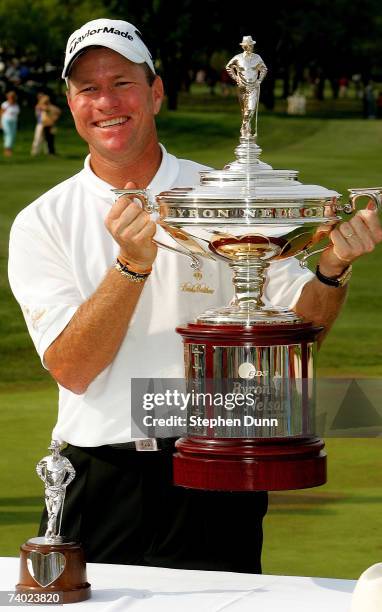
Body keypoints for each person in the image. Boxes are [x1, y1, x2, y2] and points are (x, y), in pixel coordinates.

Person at [8, 19, 382, 573]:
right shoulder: (43, 221)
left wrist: (331, 271)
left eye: (123, 82)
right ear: (70, 102)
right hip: (102, 478)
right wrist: (130, 269)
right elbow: (73, 368)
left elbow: (298, 340)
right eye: (88, 87)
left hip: (219, 470)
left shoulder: (229, 198)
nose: (106, 101)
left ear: (156, 92)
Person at [226, 35, 267, 138]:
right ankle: (247, 131)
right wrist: (236, 78)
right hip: (242, 88)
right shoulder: (237, 58)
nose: (251, 47)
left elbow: (264, 69)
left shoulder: (257, 58)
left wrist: (259, 80)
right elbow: (228, 67)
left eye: (251, 45)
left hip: (253, 87)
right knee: (244, 110)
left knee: (250, 109)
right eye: (249, 45)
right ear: (244, 46)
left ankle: (243, 128)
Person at [1, 90, 20, 156]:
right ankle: (7, 149)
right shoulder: (5, 104)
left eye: (12, 97)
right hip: (5, 121)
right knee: (9, 134)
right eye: (10, 97)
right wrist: (0, 123)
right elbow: (1, 113)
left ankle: (9, 148)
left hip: (14, 121)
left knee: (13, 135)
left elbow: (17, 114)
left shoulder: (16, 105)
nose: (11, 98)